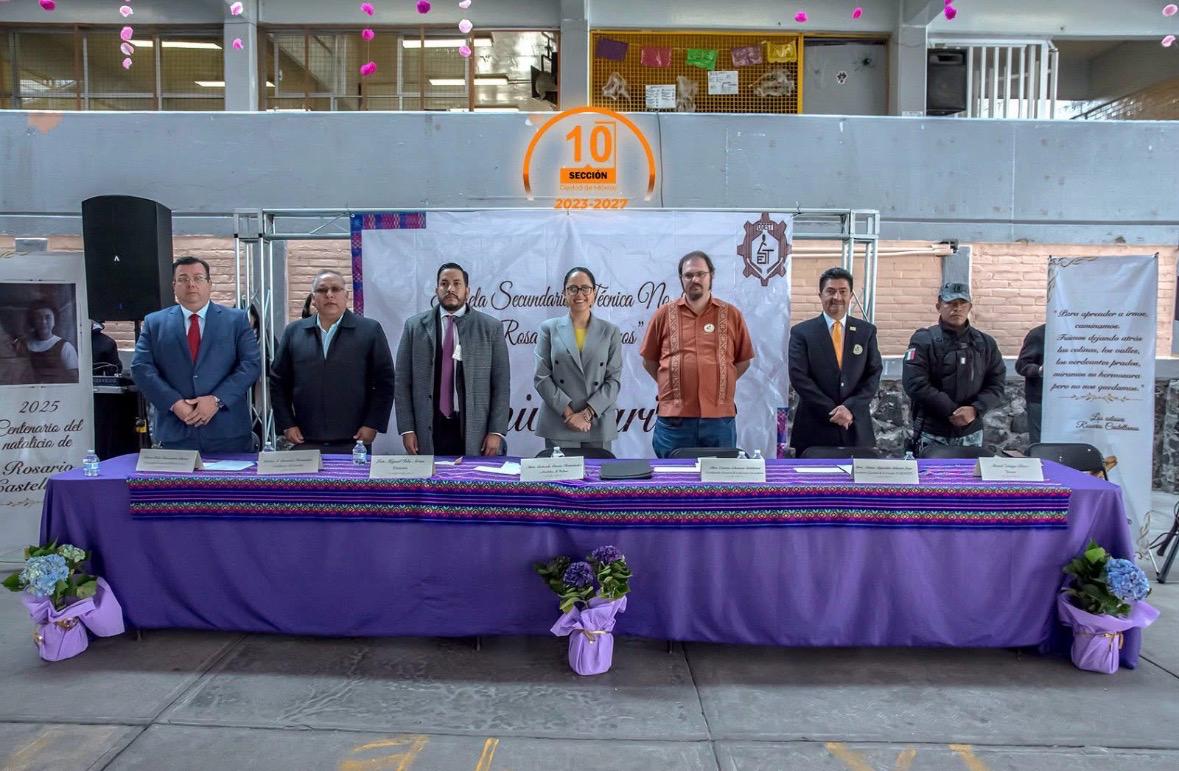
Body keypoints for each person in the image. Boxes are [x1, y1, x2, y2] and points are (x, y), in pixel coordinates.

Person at [131, 256, 261, 452]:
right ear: (174, 286)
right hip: (175, 431)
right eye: (183, 279)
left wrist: (216, 400)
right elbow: (141, 368)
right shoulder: (154, 323)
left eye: (198, 278)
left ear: (209, 284)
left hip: (228, 431)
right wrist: (174, 403)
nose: (191, 284)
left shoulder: (236, 320)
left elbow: (250, 365)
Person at [640, 250, 755, 458]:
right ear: (681, 279)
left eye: (700, 274)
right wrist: (672, 384)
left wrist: (719, 380)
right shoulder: (663, 315)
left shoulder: (731, 315)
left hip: (719, 421)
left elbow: (743, 360)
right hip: (675, 422)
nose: (695, 279)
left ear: (711, 276)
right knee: (673, 484)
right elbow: (649, 361)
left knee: (719, 484)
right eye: (689, 275)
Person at [269, 271, 395, 454]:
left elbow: (385, 382)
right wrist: (287, 423)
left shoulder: (369, 330)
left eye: (336, 289)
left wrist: (372, 424)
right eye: (322, 290)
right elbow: (278, 382)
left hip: (355, 438)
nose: (329, 294)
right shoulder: (294, 332)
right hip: (304, 438)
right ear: (313, 299)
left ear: (346, 296)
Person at [395, 262, 510, 456]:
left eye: (457, 283)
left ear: (467, 290)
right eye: (444, 283)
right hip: (428, 428)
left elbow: (501, 383)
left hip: (476, 429)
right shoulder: (414, 327)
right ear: (436, 289)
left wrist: (496, 431)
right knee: (430, 485)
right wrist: (407, 429)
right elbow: (402, 382)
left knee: (472, 484)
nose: (450, 289)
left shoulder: (491, 328)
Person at [788, 266, 883, 456]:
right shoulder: (802, 333)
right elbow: (799, 377)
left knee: (857, 484)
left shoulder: (866, 331)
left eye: (843, 291)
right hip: (815, 426)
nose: (837, 297)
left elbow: (873, 374)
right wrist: (833, 411)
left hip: (855, 426)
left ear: (851, 295)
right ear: (820, 295)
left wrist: (849, 408)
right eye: (830, 291)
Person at [902, 282, 1006, 454]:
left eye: (962, 303)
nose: (956, 308)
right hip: (932, 433)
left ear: (970, 306)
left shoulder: (986, 344)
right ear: (938, 306)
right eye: (950, 303)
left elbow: (997, 383)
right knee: (931, 480)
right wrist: (952, 411)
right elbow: (915, 383)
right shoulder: (923, 340)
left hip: (972, 432)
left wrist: (975, 409)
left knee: (970, 480)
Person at [534, 266, 623, 451]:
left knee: (598, 478)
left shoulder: (610, 331)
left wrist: (587, 414)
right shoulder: (548, 328)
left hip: (597, 422)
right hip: (560, 422)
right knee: (559, 480)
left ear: (594, 293)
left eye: (585, 288)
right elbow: (541, 377)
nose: (579, 294)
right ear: (564, 294)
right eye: (572, 288)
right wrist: (569, 415)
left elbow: (613, 380)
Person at [17, 301, 79, 383]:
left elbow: (73, 379)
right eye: (38, 318)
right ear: (33, 321)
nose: (43, 322)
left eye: (48, 317)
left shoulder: (65, 347)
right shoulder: (21, 345)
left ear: (54, 320)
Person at [1016, 323, 1045, 446]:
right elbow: (1021, 365)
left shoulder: (1081, 332)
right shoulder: (1039, 334)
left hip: (1074, 401)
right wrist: (1039, 370)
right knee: (1041, 445)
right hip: (1040, 400)